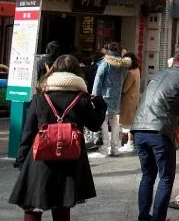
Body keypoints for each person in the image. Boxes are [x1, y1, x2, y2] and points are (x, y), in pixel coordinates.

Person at [10, 55, 107, 220]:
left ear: (53, 71)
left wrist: (21, 159)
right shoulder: (82, 99)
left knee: (33, 206)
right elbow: (95, 125)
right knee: (62, 206)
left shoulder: (40, 98)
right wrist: (100, 105)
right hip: (70, 161)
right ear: (77, 73)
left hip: (40, 159)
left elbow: (28, 132)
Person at [131, 43, 179, 221]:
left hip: (139, 129)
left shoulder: (160, 73)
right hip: (160, 132)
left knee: (147, 175)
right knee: (166, 177)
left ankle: (143, 217)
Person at [91, 41, 131, 157]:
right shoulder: (124, 64)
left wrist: (94, 96)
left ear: (109, 50)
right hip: (116, 96)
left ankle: (105, 146)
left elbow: (98, 80)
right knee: (115, 122)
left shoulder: (105, 63)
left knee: (103, 121)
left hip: (104, 95)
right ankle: (115, 148)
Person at [118, 52, 141, 154]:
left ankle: (129, 143)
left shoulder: (131, 73)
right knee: (130, 122)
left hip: (128, 100)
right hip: (134, 99)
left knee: (127, 123)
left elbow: (125, 88)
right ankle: (127, 143)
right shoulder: (137, 70)